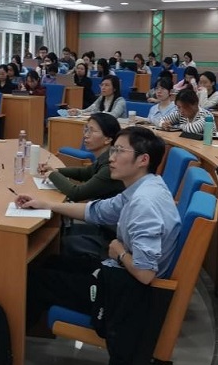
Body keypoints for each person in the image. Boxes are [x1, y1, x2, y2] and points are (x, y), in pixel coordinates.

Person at [21, 127, 182, 351]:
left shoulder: (144, 203)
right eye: (113, 150)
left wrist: (119, 251)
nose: (111, 158)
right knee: (50, 262)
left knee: (36, 280)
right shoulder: (146, 186)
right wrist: (47, 205)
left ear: (143, 160)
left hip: (127, 292)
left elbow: (145, 274)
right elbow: (96, 211)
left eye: (119, 151)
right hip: (118, 274)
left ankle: (12, 351)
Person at [40, 113, 125, 204]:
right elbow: (86, 172)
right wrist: (57, 170)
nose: (86, 135)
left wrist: (52, 174)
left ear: (108, 139)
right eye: (86, 129)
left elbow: (76, 193)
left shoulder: (111, 165)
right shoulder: (105, 157)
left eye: (92, 131)